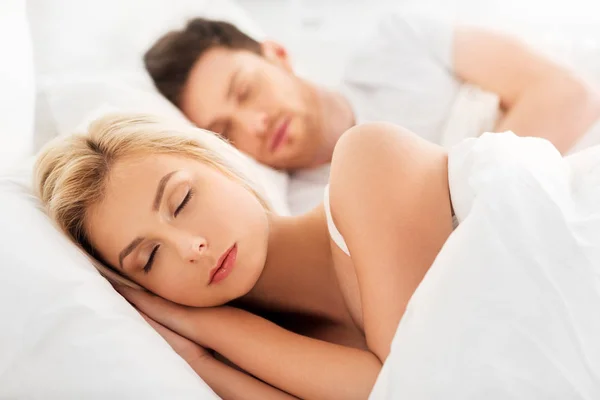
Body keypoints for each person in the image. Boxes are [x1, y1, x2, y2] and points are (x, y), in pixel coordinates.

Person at [35, 113, 455, 399]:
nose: (190, 248)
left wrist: (207, 325)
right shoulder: (269, 358)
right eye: (149, 258)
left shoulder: (370, 159)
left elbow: (417, 383)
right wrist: (201, 357)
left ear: (215, 162)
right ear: (143, 290)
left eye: (181, 200)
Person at [144, 15, 600, 213]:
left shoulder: (397, 45)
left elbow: (568, 95)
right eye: (225, 132)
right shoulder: (308, 212)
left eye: (245, 91)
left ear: (277, 54)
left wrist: (454, 207)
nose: (254, 123)